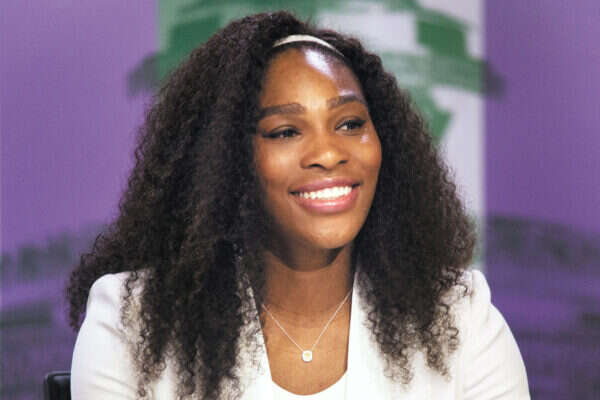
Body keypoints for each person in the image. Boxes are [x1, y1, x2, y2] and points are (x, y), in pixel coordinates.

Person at [67, 11, 530, 400]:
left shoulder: (459, 317)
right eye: (286, 131)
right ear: (227, 162)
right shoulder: (132, 324)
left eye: (349, 124)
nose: (328, 153)